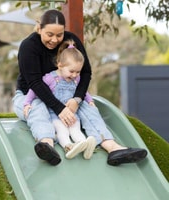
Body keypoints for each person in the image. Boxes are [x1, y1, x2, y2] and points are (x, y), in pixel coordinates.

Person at [12, 9, 147, 166]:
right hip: (30, 96)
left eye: (59, 35)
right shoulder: (29, 46)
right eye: (49, 34)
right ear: (39, 28)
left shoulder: (71, 41)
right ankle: (47, 145)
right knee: (38, 108)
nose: (54, 40)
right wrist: (60, 109)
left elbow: (86, 72)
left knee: (87, 108)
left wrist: (77, 99)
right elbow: (35, 83)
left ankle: (112, 147)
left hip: (65, 95)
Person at [23, 40, 96, 160]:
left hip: (72, 115)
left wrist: (90, 100)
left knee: (76, 130)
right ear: (60, 65)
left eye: (78, 72)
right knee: (62, 131)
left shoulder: (75, 79)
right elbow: (35, 89)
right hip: (55, 115)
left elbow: (83, 91)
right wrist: (27, 103)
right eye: (71, 71)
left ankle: (84, 145)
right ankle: (68, 147)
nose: (74, 75)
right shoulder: (50, 78)